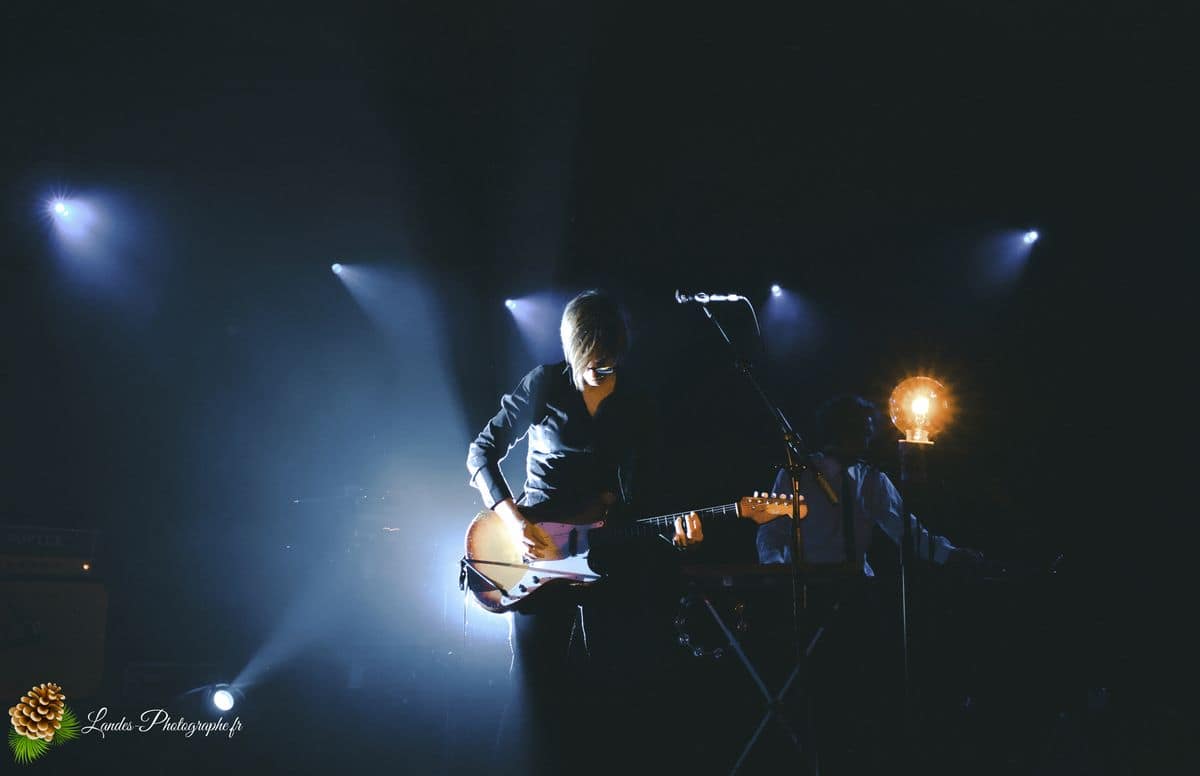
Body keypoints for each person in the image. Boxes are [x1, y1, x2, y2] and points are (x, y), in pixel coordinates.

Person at [466, 289, 701, 775]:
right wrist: (515, 521)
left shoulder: (636, 402)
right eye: (591, 360)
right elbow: (480, 454)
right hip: (535, 553)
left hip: (604, 552)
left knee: (611, 686)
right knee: (537, 693)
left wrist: (676, 531)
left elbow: (649, 495)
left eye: (610, 361)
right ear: (573, 348)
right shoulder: (545, 384)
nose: (600, 370)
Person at [754, 393, 982, 774]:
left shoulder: (871, 479)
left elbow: (907, 531)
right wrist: (780, 578)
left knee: (868, 683)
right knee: (817, 690)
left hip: (856, 593)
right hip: (809, 594)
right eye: (863, 429)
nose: (867, 437)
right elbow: (771, 533)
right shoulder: (799, 474)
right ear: (846, 431)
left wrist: (950, 554)